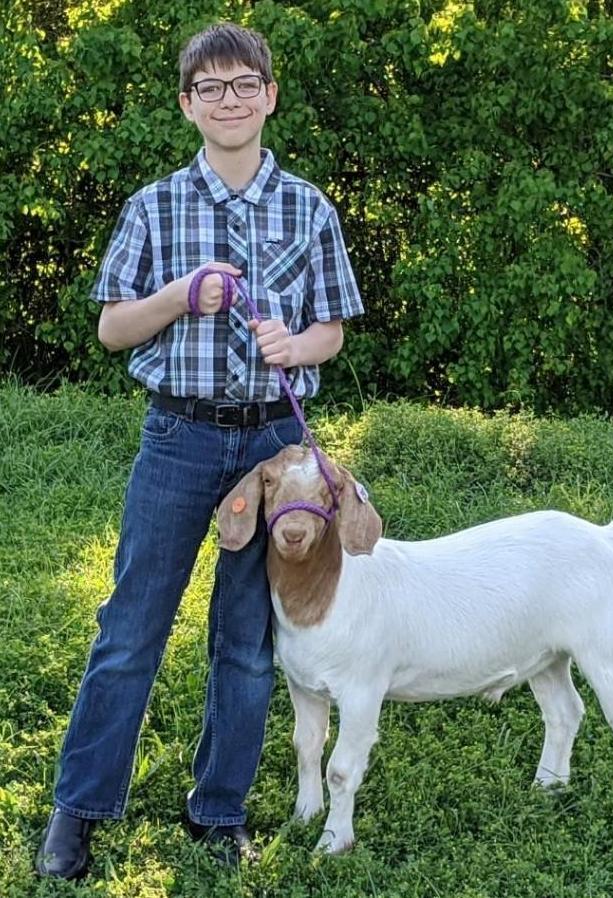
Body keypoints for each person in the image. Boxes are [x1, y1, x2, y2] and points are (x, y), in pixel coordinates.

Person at [35, 21, 363, 879]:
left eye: (244, 84)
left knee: (248, 640)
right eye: (210, 87)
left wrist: (299, 345)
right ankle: (79, 808)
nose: (229, 100)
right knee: (131, 628)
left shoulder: (310, 207)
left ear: (269, 96)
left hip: (275, 446)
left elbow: (332, 329)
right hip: (178, 439)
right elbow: (111, 330)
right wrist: (180, 295)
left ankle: (217, 811)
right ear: (187, 104)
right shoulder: (152, 207)